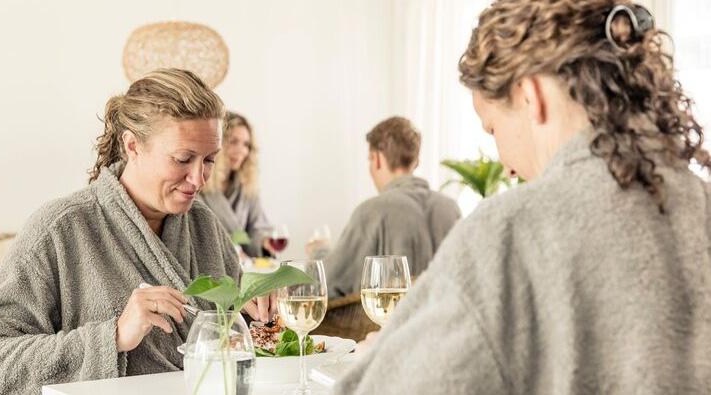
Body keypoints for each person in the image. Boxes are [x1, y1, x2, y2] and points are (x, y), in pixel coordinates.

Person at [335, 2, 711, 394]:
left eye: (493, 128)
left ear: (531, 95)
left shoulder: (508, 234)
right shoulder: (702, 206)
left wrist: (378, 359)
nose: (506, 166)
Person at [0, 69, 273, 394]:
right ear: (132, 145)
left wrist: (256, 316)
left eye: (209, 160)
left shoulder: (204, 224)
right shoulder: (63, 227)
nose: (198, 179)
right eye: (183, 159)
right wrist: (113, 337)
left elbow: (231, 349)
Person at [309, 116, 461, 297]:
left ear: (377, 159)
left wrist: (319, 252)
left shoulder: (371, 211)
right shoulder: (451, 209)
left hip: (386, 324)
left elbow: (325, 283)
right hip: (445, 324)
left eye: (369, 159)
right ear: (416, 161)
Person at [199, 111, 275, 258]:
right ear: (217, 143)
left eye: (246, 144)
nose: (241, 150)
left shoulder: (246, 187)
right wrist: (233, 252)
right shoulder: (198, 184)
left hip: (248, 266)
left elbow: (257, 227)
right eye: (233, 141)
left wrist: (264, 242)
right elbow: (200, 235)